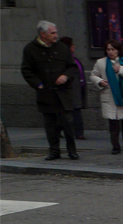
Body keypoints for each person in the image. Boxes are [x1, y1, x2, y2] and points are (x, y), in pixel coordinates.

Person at [20, 20, 80, 160]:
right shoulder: (30, 49)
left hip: (63, 92)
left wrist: (65, 76)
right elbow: (26, 70)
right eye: (53, 33)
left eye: (56, 32)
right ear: (43, 34)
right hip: (46, 93)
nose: (56, 35)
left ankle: (72, 150)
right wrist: (38, 84)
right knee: (50, 125)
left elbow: (72, 67)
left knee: (68, 122)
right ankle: (54, 151)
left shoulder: (62, 48)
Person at [90, 39, 123, 154]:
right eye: (108, 49)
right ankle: (115, 146)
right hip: (109, 96)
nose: (110, 52)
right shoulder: (101, 63)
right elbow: (93, 75)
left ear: (118, 50)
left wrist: (122, 70)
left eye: (113, 49)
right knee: (113, 124)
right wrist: (99, 81)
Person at [60, 37, 87, 139]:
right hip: (70, 89)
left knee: (76, 110)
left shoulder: (74, 59)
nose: (74, 46)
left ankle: (76, 131)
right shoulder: (65, 60)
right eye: (72, 45)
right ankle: (78, 132)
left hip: (78, 88)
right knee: (74, 111)